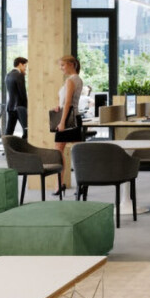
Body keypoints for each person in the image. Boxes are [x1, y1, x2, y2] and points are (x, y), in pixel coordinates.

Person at [55, 55, 85, 195]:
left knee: (58, 151)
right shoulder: (78, 79)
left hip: (67, 120)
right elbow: (67, 102)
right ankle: (82, 184)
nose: (61, 68)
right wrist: (58, 106)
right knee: (79, 151)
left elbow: (68, 103)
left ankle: (59, 185)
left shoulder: (70, 81)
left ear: (72, 64)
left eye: (63, 65)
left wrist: (62, 122)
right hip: (75, 118)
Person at [4, 56, 29, 139]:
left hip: (10, 107)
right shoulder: (19, 75)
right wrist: (27, 106)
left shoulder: (8, 75)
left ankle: (7, 149)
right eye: (25, 66)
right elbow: (22, 93)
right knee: (27, 130)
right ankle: (23, 148)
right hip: (20, 107)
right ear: (20, 64)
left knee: (9, 130)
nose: (25, 68)